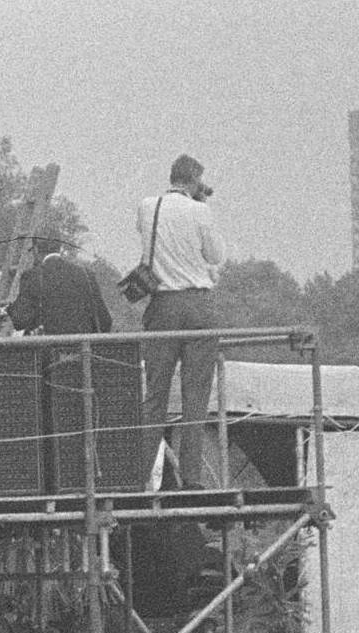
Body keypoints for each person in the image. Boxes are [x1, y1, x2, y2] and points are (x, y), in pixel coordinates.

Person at [135, 154, 229, 488]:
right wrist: (201, 202)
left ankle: (141, 476)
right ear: (194, 180)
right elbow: (216, 255)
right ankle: (191, 478)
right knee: (195, 397)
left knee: (154, 396)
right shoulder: (200, 210)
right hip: (197, 306)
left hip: (162, 306)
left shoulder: (149, 207)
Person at [4, 230, 112, 336]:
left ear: (36, 250)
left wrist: (8, 309)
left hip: (49, 351)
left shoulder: (31, 276)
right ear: (60, 248)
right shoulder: (87, 274)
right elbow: (105, 321)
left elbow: (20, 321)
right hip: (83, 350)